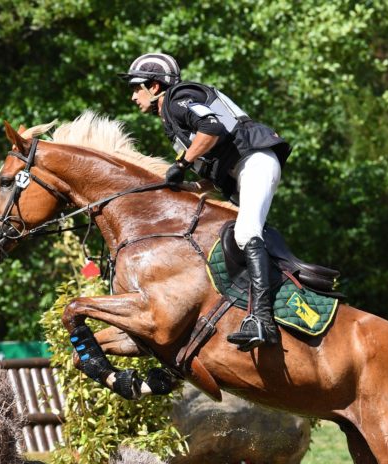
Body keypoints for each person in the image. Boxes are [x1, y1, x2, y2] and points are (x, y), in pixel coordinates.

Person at [121, 52, 292, 352]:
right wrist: (183, 184)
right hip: (242, 169)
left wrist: (181, 162)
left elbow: (212, 128)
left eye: (137, 88)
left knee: (245, 233)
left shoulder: (178, 97)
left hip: (254, 161)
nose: (133, 97)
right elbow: (211, 176)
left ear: (156, 86)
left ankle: (263, 320)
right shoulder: (171, 117)